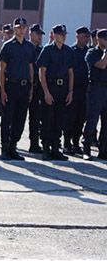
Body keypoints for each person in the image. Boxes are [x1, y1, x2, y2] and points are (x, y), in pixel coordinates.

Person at [0, 18, 34, 161]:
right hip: (11, 86)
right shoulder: (8, 46)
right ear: (14, 28)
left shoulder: (29, 47)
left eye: (24, 27)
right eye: (19, 27)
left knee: (20, 118)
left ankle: (13, 147)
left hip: (24, 87)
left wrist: (31, 88)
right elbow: (2, 68)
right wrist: (2, 90)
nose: (21, 30)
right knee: (7, 118)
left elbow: (31, 68)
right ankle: (5, 148)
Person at [35, 24, 74, 161]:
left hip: (62, 89)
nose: (63, 37)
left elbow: (70, 72)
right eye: (61, 34)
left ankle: (56, 148)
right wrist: (46, 92)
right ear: (55, 35)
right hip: (50, 86)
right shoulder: (47, 50)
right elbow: (42, 72)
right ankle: (46, 148)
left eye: (64, 34)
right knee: (47, 119)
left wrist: (70, 91)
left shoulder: (68, 51)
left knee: (60, 119)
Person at [65, 26, 92, 154]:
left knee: (81, 118)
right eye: (85, 36)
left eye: (88, 36)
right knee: (70, 117)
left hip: (85, 89)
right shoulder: (70, 51)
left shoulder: (89, 51)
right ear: (78, 37)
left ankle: (76, 143)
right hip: (73, 89)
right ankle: (67, 143)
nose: (87, 39)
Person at [83, 29, 107, 160]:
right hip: (96, 89)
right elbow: (102, 65)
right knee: (92, 120)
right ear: (99, 39)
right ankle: (86, 147)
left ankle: (104, 150)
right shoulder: (92, 53)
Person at [26, 23, 45, 152]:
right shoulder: (26, 47)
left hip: (37, 87)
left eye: (40, 34)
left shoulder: (41, 50)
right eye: (37, 34)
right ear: (31, 34)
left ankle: (34, 143)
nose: (39, 37)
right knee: (16, 116)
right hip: (22, 85)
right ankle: (9, 145)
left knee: (36, 116)